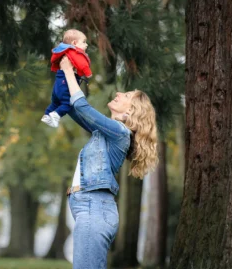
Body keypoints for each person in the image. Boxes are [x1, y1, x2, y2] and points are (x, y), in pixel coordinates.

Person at [59, 56, 158, 269]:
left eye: (127, 95)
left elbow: (83, 109)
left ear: (130, 112)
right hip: (89, 208)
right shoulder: (104, 134)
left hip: (94, 209)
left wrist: (69, 72)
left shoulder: (121, 132)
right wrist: (68, 75)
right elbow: (72, 108)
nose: (119, 93)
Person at [42, 29, 92, 128]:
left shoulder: (63, 52)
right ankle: (56, 114)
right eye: (84, 42)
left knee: (55, 102)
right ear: (74, 43)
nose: (86, 45)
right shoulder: (74, 52)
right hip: (65, 83)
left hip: (59, 82)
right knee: (68, 103)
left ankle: (47, 115)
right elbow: (82, 64)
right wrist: (88, 73)